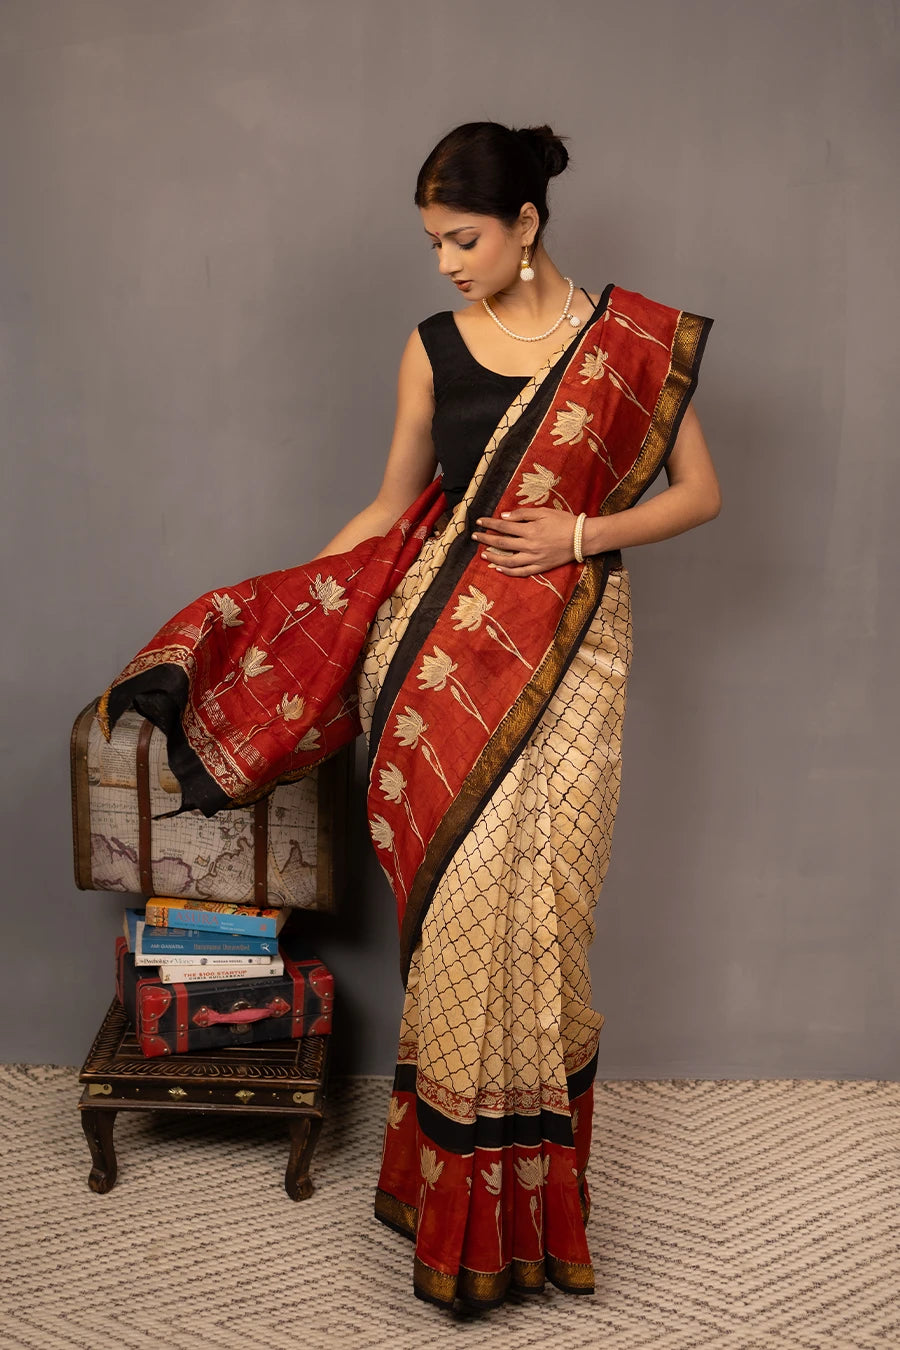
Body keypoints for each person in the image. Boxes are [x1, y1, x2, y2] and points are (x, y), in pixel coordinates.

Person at [99, 120, 720, 1312]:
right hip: (433, 665)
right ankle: (454, 1217)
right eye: (432, 240)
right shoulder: (432, 347)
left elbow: (702, 494)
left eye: (464, 237)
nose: (444, 261)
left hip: (575, 657)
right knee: (466, 922)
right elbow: (390, 509)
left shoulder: (632, 343)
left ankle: (537, 1214)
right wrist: (283, 621)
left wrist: (579, 536)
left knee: (548, 927)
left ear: (528, 224)